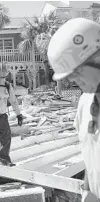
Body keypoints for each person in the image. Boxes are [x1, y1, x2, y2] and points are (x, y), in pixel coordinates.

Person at [47, 18, 100, 201]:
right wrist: (87, 190)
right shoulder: (85, 105)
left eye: (76, 72)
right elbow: (92, 155)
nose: (72, 81)